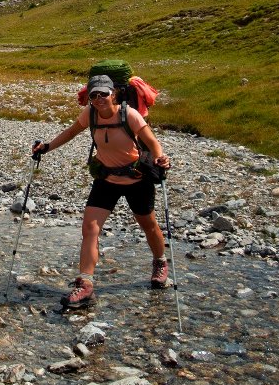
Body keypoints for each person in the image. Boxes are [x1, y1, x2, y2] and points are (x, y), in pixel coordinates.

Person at [32, 74, 173, 309]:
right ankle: (85, 284)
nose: (98, 99)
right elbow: (70, 132)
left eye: (103, 94)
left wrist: (160, 158)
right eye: (93, 95)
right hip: (106, 178)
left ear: (113, 94)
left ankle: (160, 262)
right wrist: (46, 147)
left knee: (148, 225)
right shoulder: (91, 114)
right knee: (89, 228)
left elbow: (152, 142)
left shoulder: (129, 115)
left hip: (136, 179)